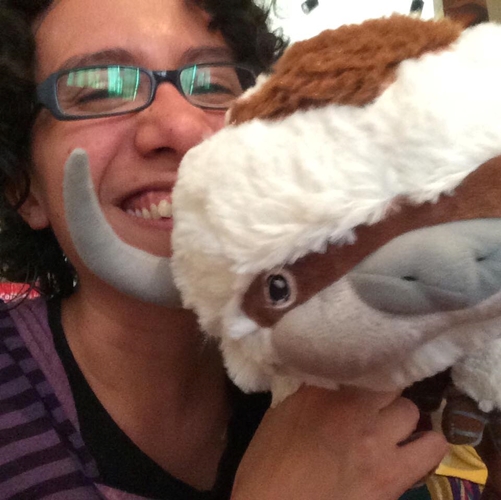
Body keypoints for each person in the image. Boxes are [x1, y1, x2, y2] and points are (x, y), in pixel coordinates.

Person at [0, 0, 457, 498]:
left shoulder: (351, 361)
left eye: (213, 84)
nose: (182, 128)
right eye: (101, 91)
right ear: (25, 189)